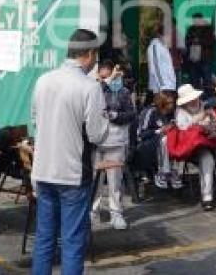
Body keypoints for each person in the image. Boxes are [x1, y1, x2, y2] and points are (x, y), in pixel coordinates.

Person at [31, 29, 110, 275]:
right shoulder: (90, 87)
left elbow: (35, 120)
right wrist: (107, 120)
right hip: (73, 174)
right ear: (89, 53)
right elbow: (97, 135)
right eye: (95, 56)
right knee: (73, 242)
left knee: (44, 240)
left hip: (43, 171)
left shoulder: (43, 80)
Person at [91, 60, 136, 230]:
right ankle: (92, 211)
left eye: (107, 70)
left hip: (116, 140)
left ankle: (116, 213)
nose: (104, 73)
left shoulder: (123, 91)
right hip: (96, 140)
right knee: (94, 180)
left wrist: (115, 115)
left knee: (114, 180)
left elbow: (131, 114)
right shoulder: (94, 88)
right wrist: (101, 83)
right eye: (101, 70)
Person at [174, 84, 216, 210]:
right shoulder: (180, 111)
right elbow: (183, 128)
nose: (194, 101)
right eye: (190, 99)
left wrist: (209, 118)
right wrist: (199, 119)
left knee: (209, 160)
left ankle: (210, 197)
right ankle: (207, 196)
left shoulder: (205, 106)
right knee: (206, 159)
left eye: (194, 98)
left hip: (209, 144)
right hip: (189, 148)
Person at [136, 93, 176, 189]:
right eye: (169, 103)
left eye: (172, 103)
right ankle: (163, 172)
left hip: (163, 144)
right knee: (164, 140)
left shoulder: (169, 113)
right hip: (146, 145)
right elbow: (141, 134)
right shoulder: (150, 112)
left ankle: (173, 172)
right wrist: (159, 131)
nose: (172, 106)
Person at [185, 13, 216, 92]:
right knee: (194, 80)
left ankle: (208, 97)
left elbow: (212, 42)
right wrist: (192, 41)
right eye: (194, 20)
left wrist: (199, 41)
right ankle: (196, 97)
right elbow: (186, 41)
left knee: (207, 79)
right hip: (193, 59)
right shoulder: (191, 29)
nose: (195, 22)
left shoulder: (209, 28)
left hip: (205, 58)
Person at [147, 22, 177, 94]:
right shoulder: (155, 46)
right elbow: (155, 67)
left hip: (169, 86)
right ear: (160, 35)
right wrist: (163, 86)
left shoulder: (164, 46)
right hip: (162, 88)